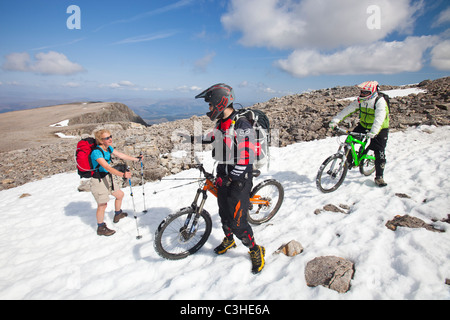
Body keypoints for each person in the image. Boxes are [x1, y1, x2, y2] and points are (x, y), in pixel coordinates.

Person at [195, 83, 266, 274]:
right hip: (224, 175)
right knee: (224, 214)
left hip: (239, 180)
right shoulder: (222, 122)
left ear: (220, 102)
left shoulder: (242, 124)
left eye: (210, 104)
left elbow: (246, 157)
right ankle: (229, 240)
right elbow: (215, 136)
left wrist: (231, 178)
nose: (209, 108)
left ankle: (255, 249)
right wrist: (194, 138)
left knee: (238, 223)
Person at [329, 81, 389, 187]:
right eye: (362, 91)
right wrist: (335, 120)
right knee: (349, 140)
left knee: (379, 151)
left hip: (379, 128)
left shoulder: (380, 101)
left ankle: (379, 177)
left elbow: (379, 118)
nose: (363, 94)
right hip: (364, 125)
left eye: (366, 92)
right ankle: (350, 161)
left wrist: (374, 132)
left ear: (373, 92)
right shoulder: (360, 101)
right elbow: (347, 110)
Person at [90, 129, 142, 236]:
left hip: (107, 178)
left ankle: (118, 214)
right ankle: (100, 227)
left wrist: (136, 159)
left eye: (110, 136)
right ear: (100, 140)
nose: (110, 139)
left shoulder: (108, 148)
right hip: (98, 180)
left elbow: (121, 155)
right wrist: (123, 175)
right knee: (102, 205)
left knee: (120, 195)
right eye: (107, 138)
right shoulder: (96, 152)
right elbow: (107, 167)